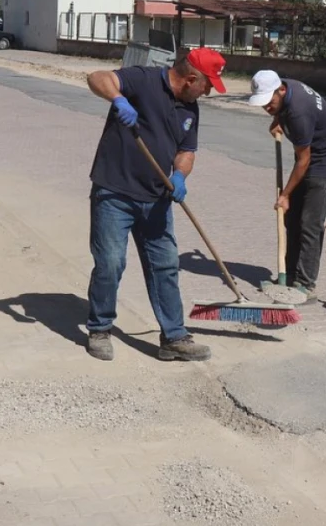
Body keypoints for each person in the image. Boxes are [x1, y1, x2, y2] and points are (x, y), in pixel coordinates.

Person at [84, 47, 228, 361]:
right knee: (110, 263)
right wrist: (118, 99)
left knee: (165, 266)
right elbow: (97, 77)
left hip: (157, 199)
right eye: (208, 85)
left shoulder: (190, 109)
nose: (207, 93)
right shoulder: (142, 80)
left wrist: (179, 175)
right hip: (115, 193)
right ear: (192, 79)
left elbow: (187, 151)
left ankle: (174, 337)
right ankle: (99, 328)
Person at [246, 70, 326, 303]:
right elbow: (284, 112)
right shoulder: (287, 88)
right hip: (310, 158)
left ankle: (306, 284)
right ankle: (288, 275)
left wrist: (285, 194)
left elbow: (304, 160)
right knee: (291, 220)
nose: (266, 107)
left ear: (280, 90)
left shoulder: (299, 112)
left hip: (325, 163)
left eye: (269, 103)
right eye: (263, 104)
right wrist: (277, 119)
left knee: (309, 224)